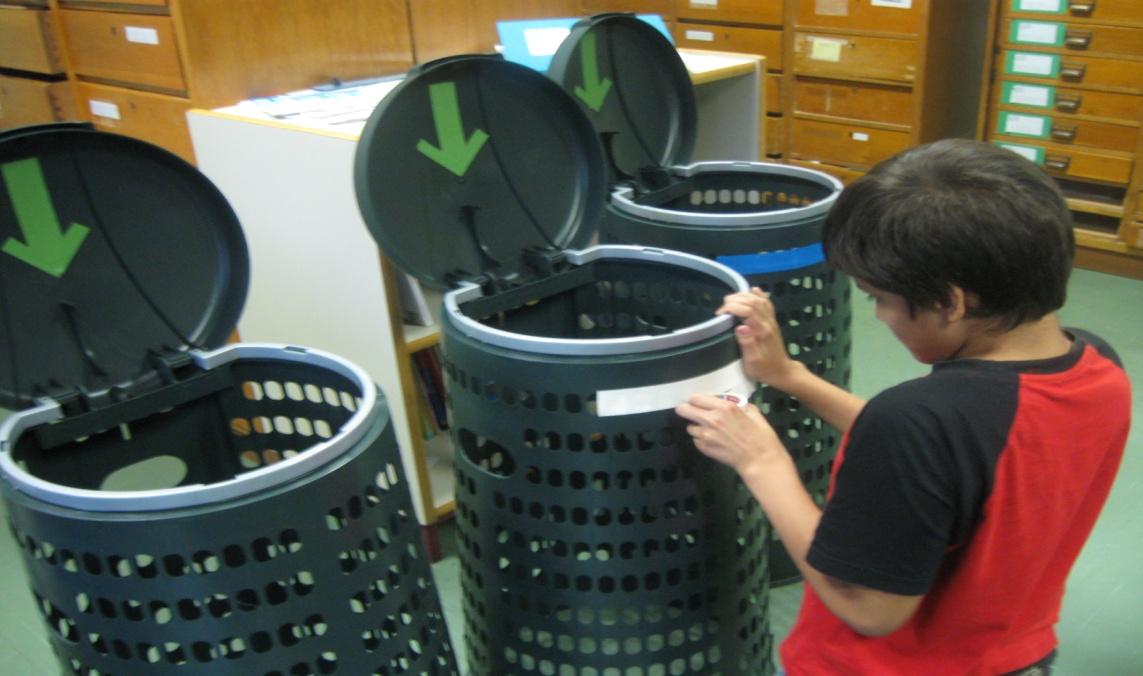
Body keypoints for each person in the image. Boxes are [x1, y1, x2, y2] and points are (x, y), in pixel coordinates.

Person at [675, 139, 1132, 675]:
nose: (879, 317)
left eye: (880, 298)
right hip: (1015, 654)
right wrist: (791, 377)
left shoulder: (919, 420)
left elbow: (866, 606)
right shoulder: (1099, 366)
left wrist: (762, 462)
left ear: (951, 301)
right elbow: (958, 457)